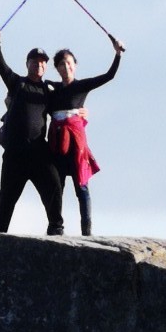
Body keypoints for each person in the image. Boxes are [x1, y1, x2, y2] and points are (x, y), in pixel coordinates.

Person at [0, 35, 64, 235]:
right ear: (27, 64)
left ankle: (56, 228)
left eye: (42, 63)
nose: (38, 65)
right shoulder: (17, 84)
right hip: (15, 153)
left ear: (45, 67)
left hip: (38, 152)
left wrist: (80, 111)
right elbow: (2, 68)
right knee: (6, 198)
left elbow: (70, 96)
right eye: (35, 62)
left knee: (54, 183)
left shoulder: (49, 90)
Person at [48, 40, 124, 236]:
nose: (66, 67)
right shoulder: (52, 89)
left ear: (75, 64)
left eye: (69, 62)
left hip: (77, 145)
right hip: (57, 143)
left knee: (81, 186)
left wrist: (117, 54)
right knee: (57, 186)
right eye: (61, 64)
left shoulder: (82, 86)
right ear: (56, 68)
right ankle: (56, 227)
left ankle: (87, 231)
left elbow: (109, 76)